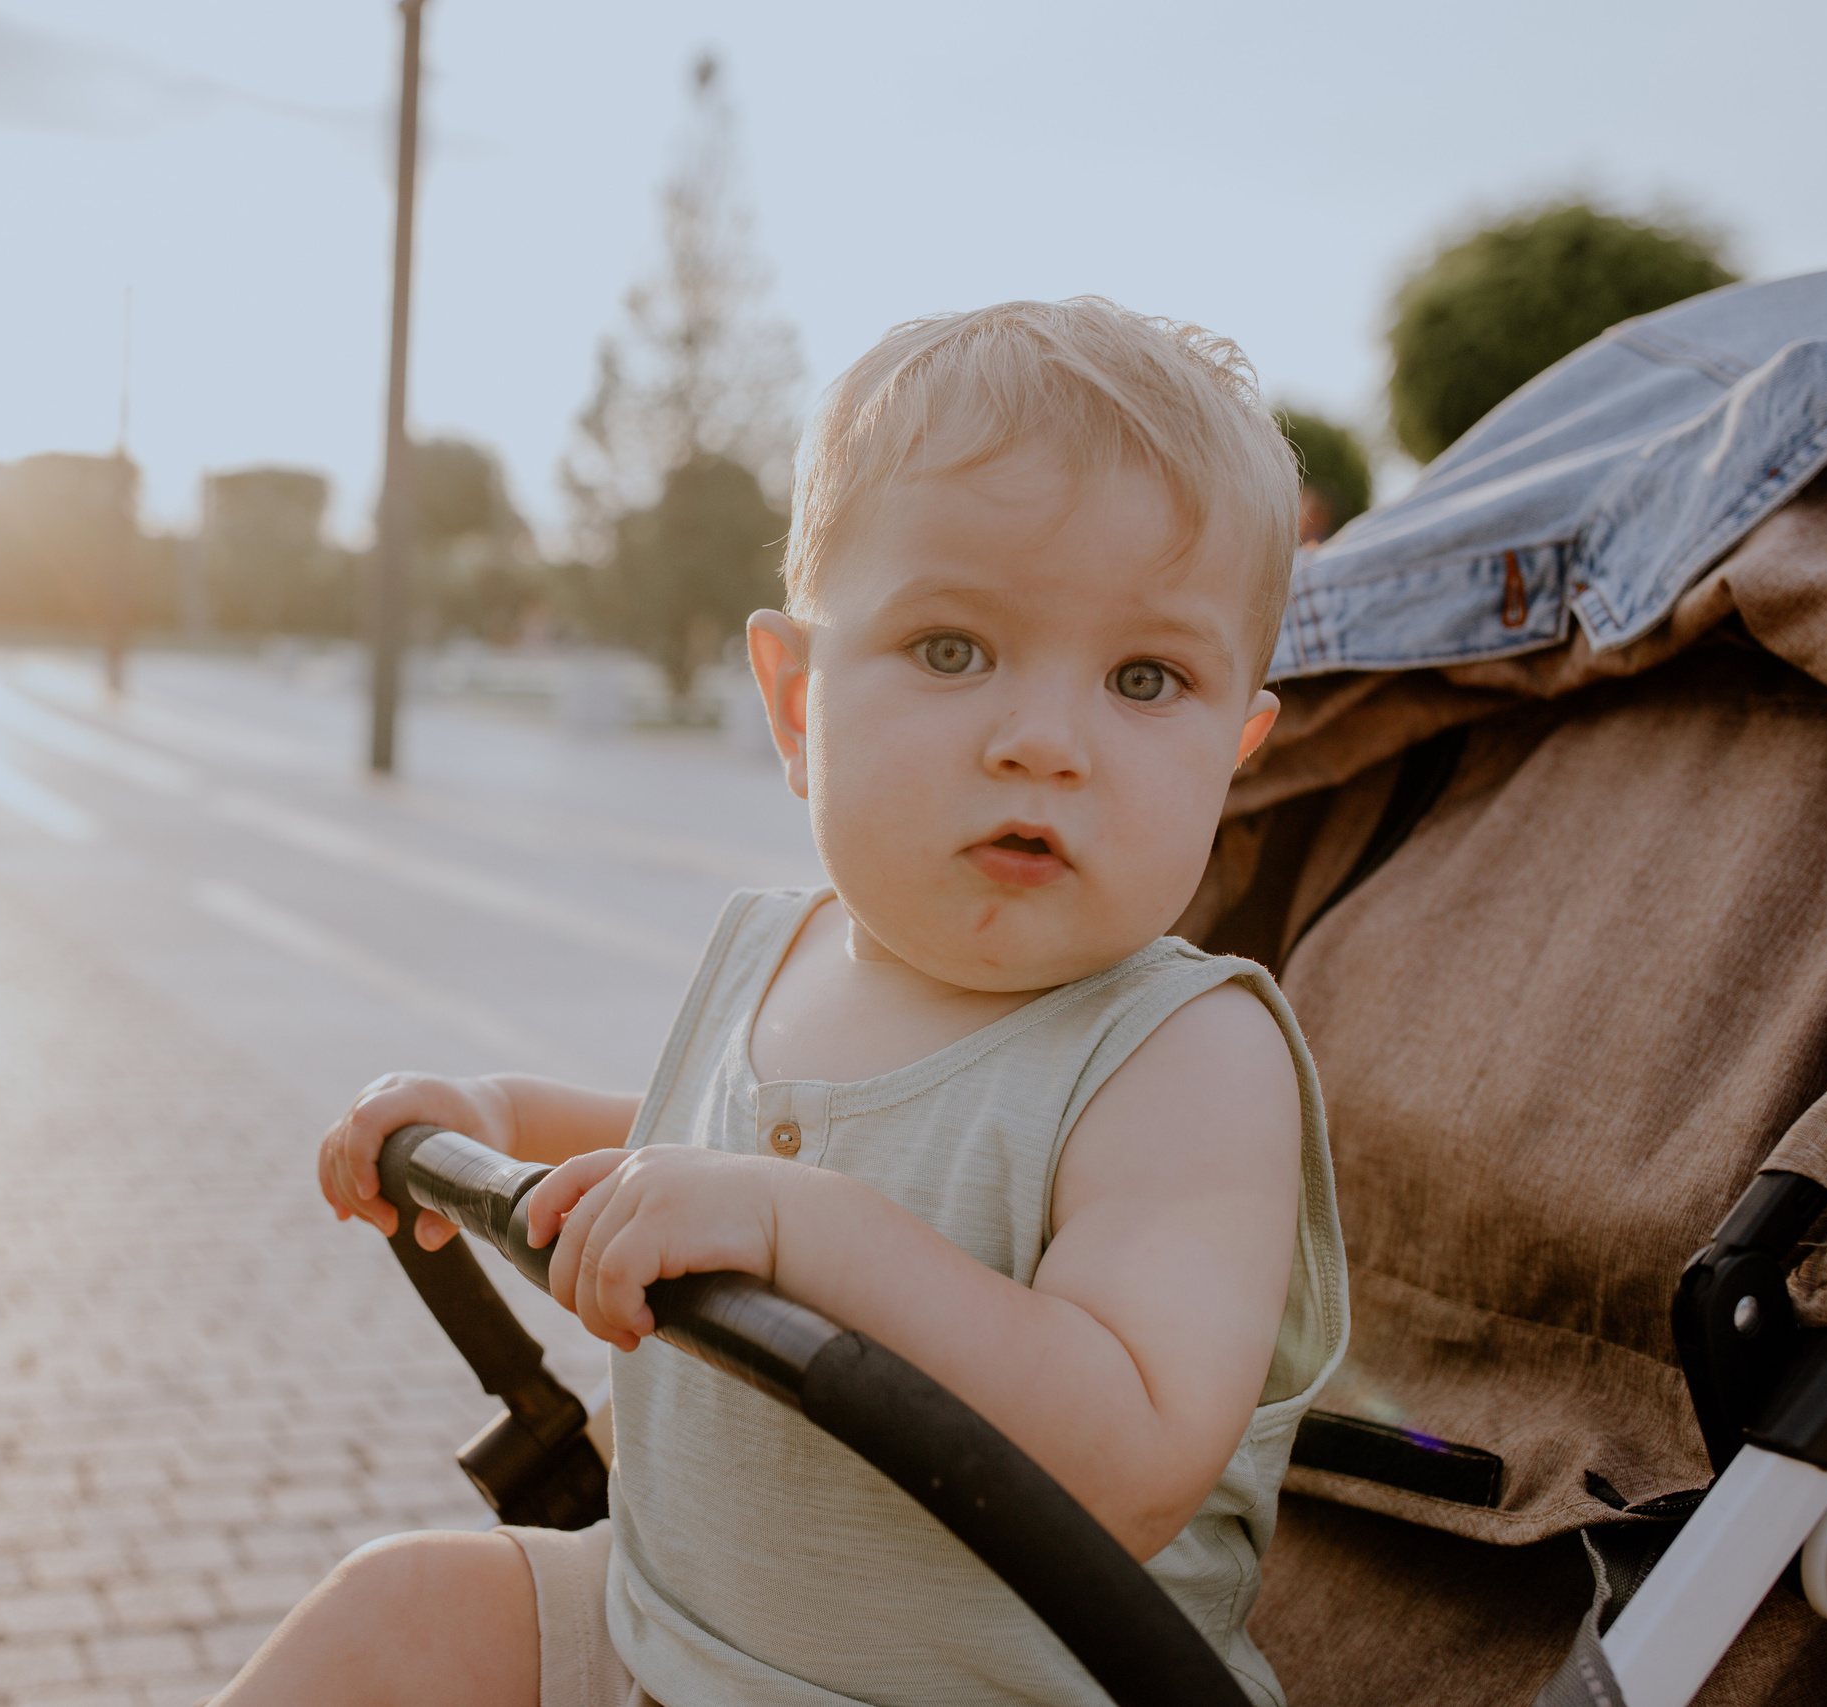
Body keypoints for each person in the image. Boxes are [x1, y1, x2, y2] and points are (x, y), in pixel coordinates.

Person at [217, 299, 1349, 1707]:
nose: (1044, 742)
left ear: (1234, 755)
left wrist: (793, 1225)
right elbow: (696, 1144)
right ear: (799, 703)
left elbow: (1122, 1462)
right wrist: (499, 1118)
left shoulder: (1185, 1061)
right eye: (952, 650)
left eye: (1145, 678)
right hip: (664, 1627)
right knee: (397, 1616)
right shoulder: (778, 948)